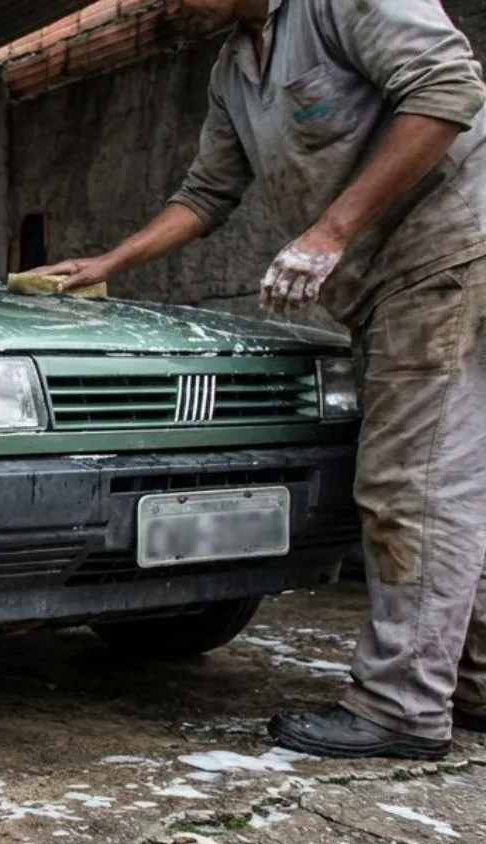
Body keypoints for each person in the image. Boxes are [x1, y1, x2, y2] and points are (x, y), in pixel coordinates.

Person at [30, 0, 486, 760]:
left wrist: (330, 231)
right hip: (395, 282)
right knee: (459, 481)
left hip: (446, 256)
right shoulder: (233, 70)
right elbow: (206, 192)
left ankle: (401, 706)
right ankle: (472, 682)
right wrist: (111, 262)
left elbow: (448, 88)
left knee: (412, 485)